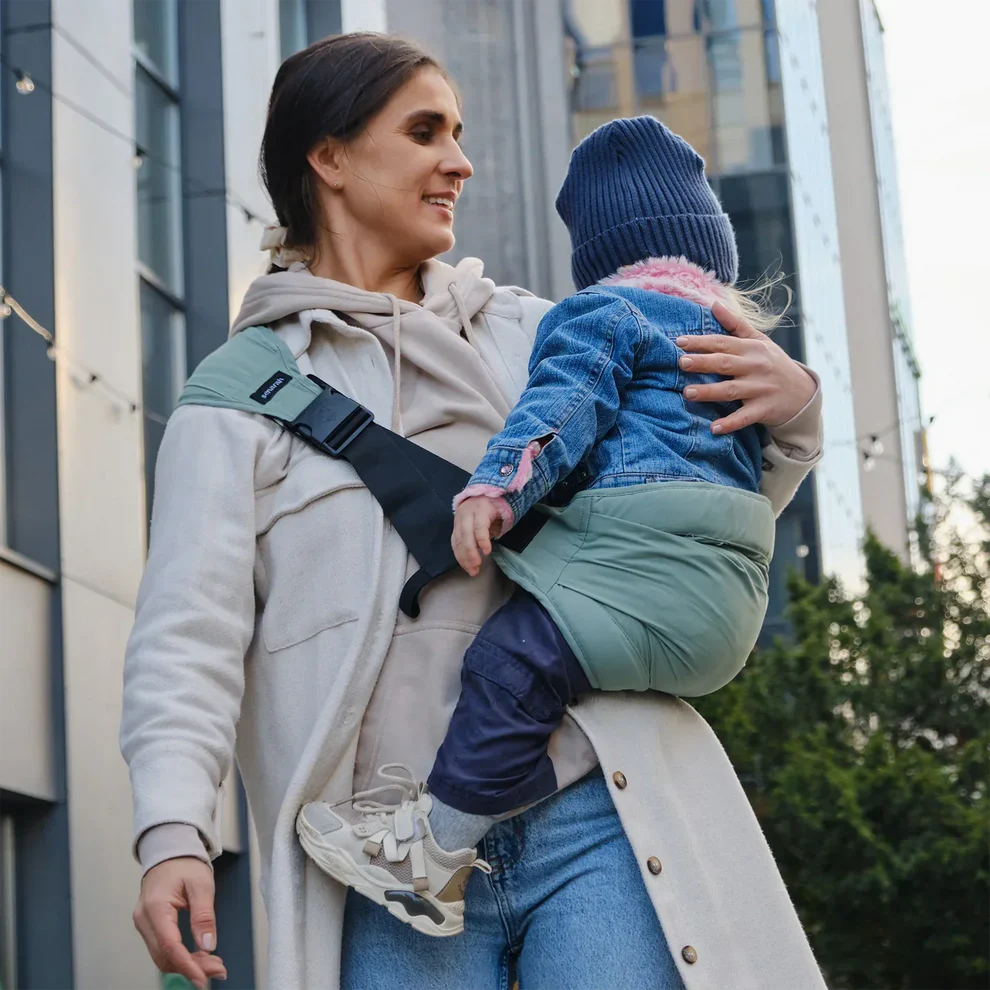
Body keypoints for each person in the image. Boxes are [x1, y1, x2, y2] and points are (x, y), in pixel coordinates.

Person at [121, 33, 828, 990]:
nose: (459, 161)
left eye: (458, 134)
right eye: (425, 133)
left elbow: (676, 530)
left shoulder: (546, 333)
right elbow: (187, 637)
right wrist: (173, 829)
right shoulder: (235, 399)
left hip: (596, 812)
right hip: (386, 859)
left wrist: (792, 419)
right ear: (328, 157)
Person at [295, 116, 781, 936]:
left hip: (633, 569)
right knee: (558, 671)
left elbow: (560, 411)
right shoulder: (736, 343)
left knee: (511, 665)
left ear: (598, 250)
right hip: (726, 620)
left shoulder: (604, 312)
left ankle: (433, 852)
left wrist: (495, 490)